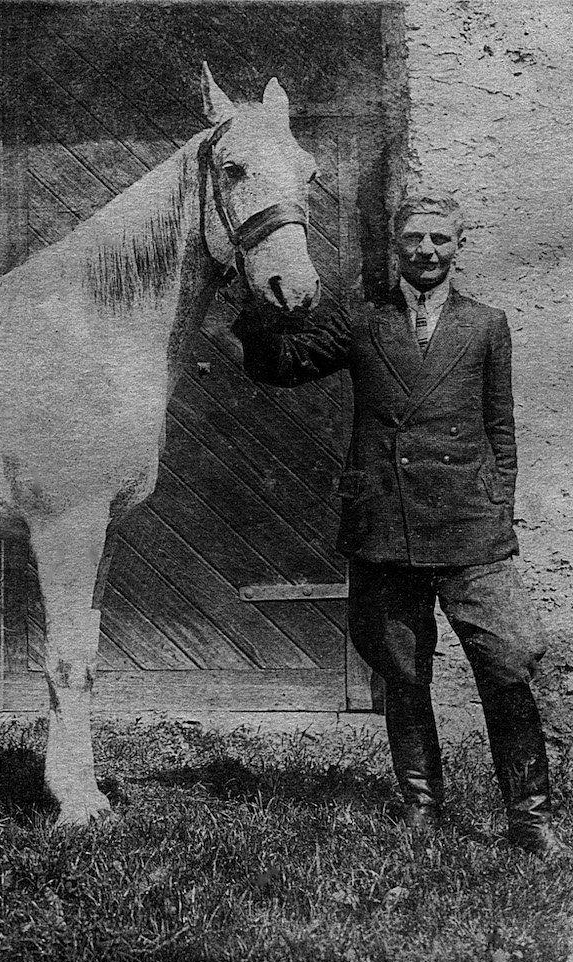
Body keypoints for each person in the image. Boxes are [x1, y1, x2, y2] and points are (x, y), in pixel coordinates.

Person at [232, 191, 565, 856]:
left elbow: (500, 427)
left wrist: (496, 504)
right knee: (402, 668)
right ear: (396, 244)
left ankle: (529, 817)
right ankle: (420, 803)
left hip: (471, 530)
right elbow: (284, 365)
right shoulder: (364, 321)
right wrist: (259, 310)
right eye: (414, 238)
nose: (427, 251)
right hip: (385, 522)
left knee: (507, 661)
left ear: (459, 244)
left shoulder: (486, 324)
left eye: (440, 238)